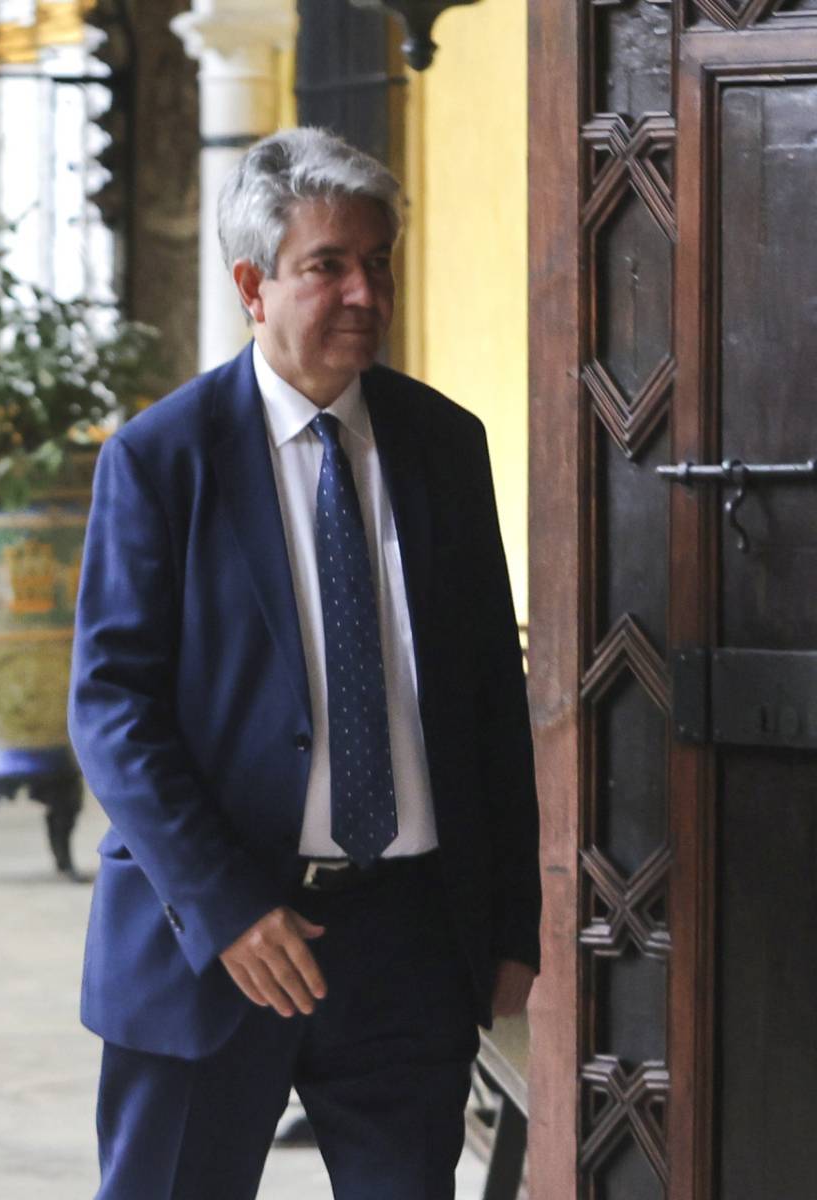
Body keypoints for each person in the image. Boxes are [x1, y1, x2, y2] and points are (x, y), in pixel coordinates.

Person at [69, 128, 540, 1199]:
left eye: (378, 262)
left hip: (409, 942)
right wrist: (228, 907)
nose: (365, 292)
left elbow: (488, 701)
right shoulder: (161, 458)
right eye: (328, 265)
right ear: (253, 286)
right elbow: (112, 710)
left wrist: (512, 920)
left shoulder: (445, 445)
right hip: (216, 938)